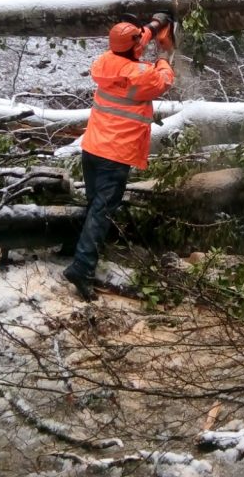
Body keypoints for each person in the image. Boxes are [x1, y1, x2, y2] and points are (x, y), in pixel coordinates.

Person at [63, 15, 176, 301]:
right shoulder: (142, 76)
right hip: (117, 153)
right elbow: (164, 80)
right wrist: (164, 53)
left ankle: (73, 250)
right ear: (132, 47)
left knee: (94, 206)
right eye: (139, 40)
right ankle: (82, 267)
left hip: (93, 147)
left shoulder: (104, 63)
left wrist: (153, 26)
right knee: (102, 211)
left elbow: (132, 45)